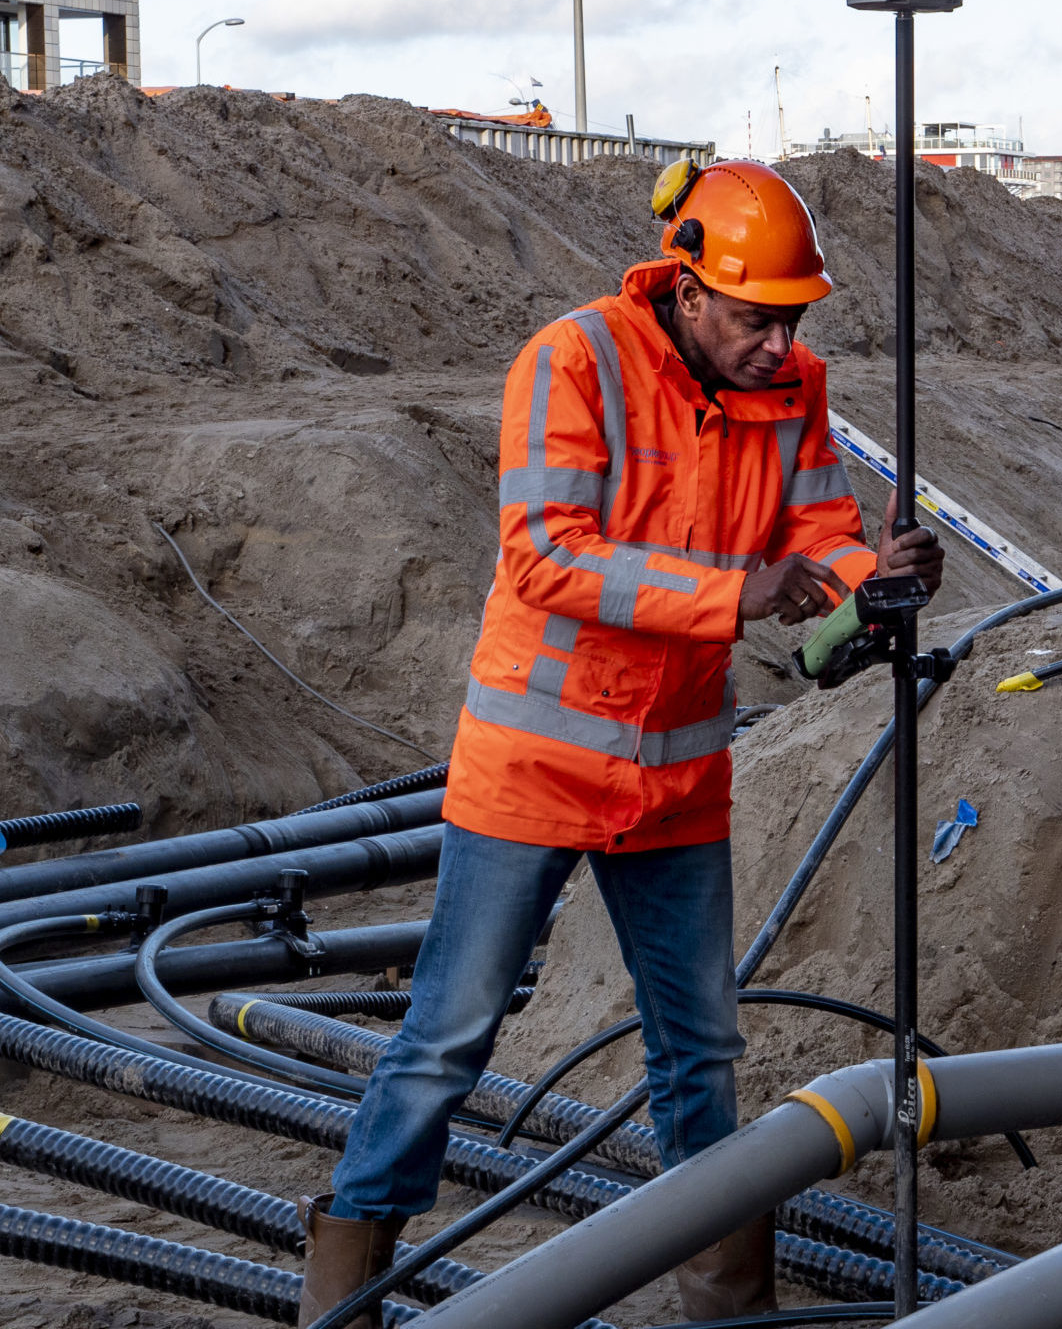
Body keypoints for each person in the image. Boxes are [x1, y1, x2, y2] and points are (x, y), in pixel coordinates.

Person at [297, 159, 943, 1324]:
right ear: (687, 291)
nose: (778, 343)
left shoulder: (791, 387)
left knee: (700, 1049)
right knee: (448, 1037)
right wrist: (735, 593)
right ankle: (344, 1293)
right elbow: (545, 553)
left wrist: (874, 577)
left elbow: (819, 531)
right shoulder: (574, 362)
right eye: (754, 318)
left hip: (676, 777)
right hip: (535, 767)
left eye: (792, 320)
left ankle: (726, 1306)